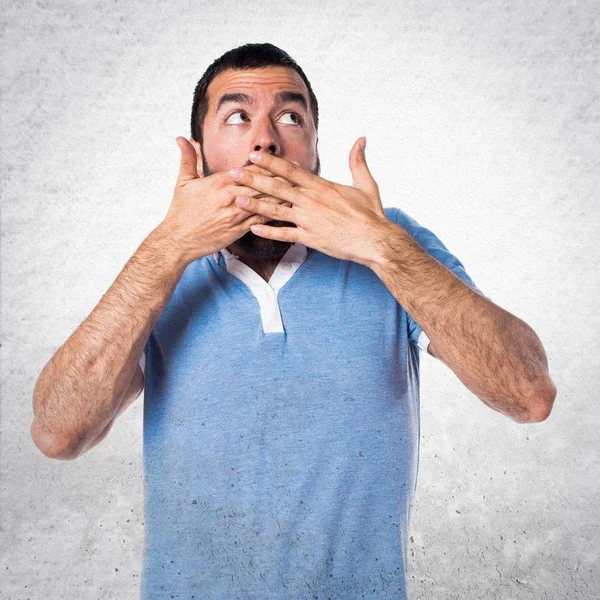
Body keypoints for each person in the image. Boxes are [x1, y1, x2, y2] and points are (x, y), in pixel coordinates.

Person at [31, 42, 557, 599]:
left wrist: (380, 245)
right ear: (199, 155)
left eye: (289, 116)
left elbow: (528, 395)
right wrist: (166, 251)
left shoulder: (392, 241)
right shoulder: (159, 267)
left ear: (314, 153)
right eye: (237, 117)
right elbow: (58, 434)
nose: (265, 138)